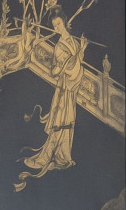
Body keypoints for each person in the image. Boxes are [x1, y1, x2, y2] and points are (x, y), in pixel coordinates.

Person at [17, 14, 86, 186]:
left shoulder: (74, 42)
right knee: (61, 120)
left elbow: (78, 63)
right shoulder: (58, 47)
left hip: (71, 88)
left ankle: (65, 157)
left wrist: (81, 50)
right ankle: (53, 155)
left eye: (59, 23)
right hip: (63, 87)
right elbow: (54, 71)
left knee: (69, 120)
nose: (57, 28)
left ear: (65, 23)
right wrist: (63, 66)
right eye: (55, 25)